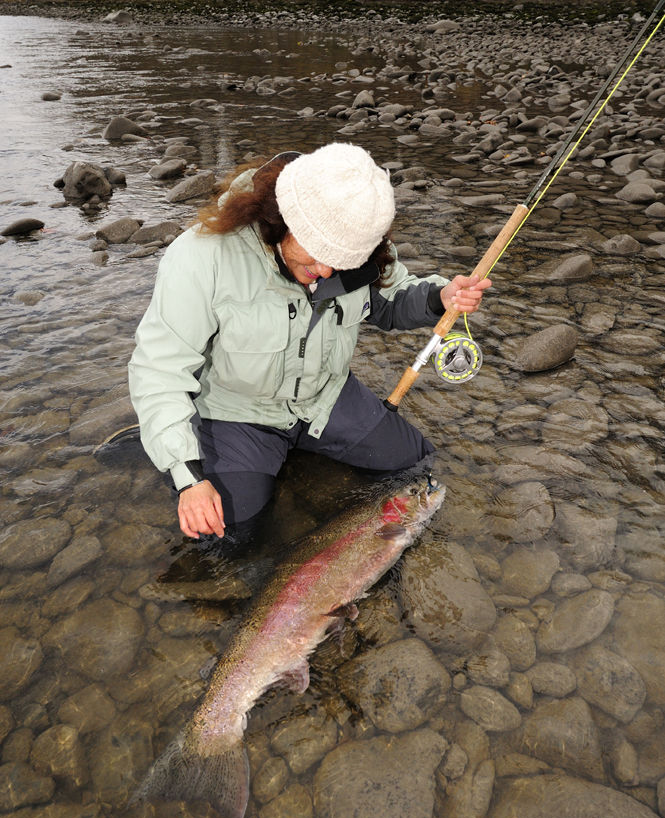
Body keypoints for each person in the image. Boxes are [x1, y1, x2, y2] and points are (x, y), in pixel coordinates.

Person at [128, 144, 490, 541]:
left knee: (413, 467)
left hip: (325, 398)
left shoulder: (358, 245)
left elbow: (391, 300)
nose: (326, 271)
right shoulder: (203, 256)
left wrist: (439, 299)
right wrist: (187, 474)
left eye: (342, 260)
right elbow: (159, 371)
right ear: (280, 220)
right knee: (229, 530)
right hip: (236, 412)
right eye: (317, 254)